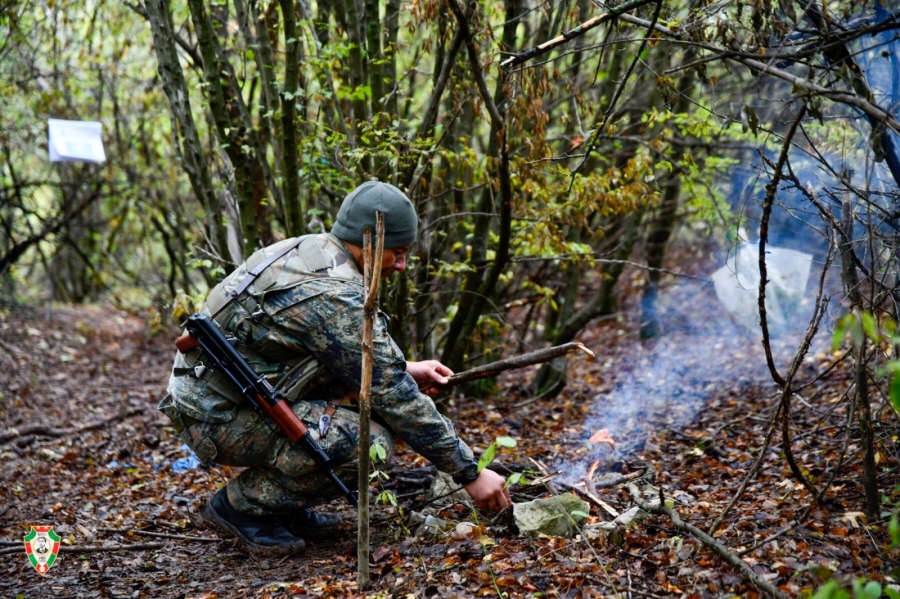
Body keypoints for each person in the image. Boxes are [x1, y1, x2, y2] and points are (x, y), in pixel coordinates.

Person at [159, 180, 511, 555]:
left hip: (222, 395)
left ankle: (285, 507)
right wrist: (469, 472)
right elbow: (393, 394)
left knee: (366, 415)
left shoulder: (313, 251)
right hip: (216, 415)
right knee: (368, 442)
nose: (403, 265)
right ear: (370, 242)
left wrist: (407, 368)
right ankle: (243, 507)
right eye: (399, 252)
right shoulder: (334, 295)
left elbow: (330, 353)